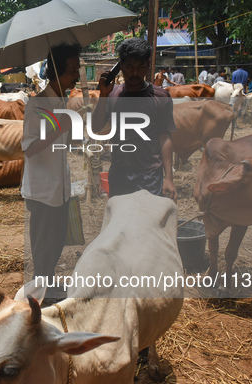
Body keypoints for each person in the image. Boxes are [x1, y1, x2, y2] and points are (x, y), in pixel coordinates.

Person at [22, 43, 81, 289]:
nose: (77, 75)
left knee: (56, 243)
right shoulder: (37, 105)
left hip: (60, 186)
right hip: (43, 191)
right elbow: (28, 148)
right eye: (72, 71)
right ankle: (39, 295)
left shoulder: (61, 100)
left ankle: (48, 286)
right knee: (44, 248)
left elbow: (63, 144)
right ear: (56, 73)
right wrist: (60, 128)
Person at [93, 37, 177, 202]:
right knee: (122, 225)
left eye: (140, 67)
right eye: (129, 67)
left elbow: (164, 137)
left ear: (147, 66)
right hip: (120, 174)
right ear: (121, 67)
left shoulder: (161, 97)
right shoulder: (112, 95)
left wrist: (169, 178)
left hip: (150, 176)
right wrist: (103, 94)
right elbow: (96, 127)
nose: (134, 73)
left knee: (149, 224)